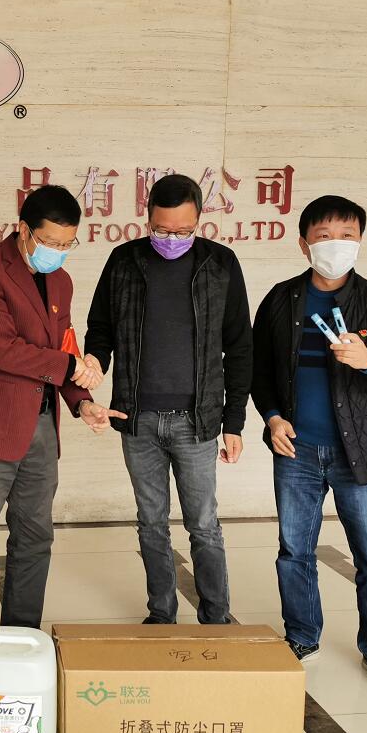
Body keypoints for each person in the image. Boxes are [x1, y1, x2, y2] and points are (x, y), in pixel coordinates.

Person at [0, 185, 123, 685]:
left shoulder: (60, 281)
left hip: (41, 430)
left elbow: (64, 347)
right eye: (50, 241)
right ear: (23, 230)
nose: (58, 252)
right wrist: (72, 366)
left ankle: (21, 639)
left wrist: (82, 402)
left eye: (67, 244)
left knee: (35, 539)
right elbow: (4, 350)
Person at [251, 194, 367, 698]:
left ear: (361, 241)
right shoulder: (281, 299)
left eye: (348, 236)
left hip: (363, 451)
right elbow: (259, 371)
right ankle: (302, 636)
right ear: (304, 244)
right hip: (296, 450)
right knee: (294, 551)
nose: (336, 245)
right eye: (324, 236)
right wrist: (272, 417)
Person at [84, 173, 252, 626]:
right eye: (162, 229)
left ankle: (216, 618)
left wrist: (234, 422)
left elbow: (240, 347)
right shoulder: (124, 261)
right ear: (147, 218)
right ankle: (161, 614)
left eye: (183, 230)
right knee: (151, 523)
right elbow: (100, 328)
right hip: (137, 418)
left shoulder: (220, 264)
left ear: (199, 219)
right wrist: (95, 362)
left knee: (204, 524)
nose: (172, 238)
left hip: (197, 421)